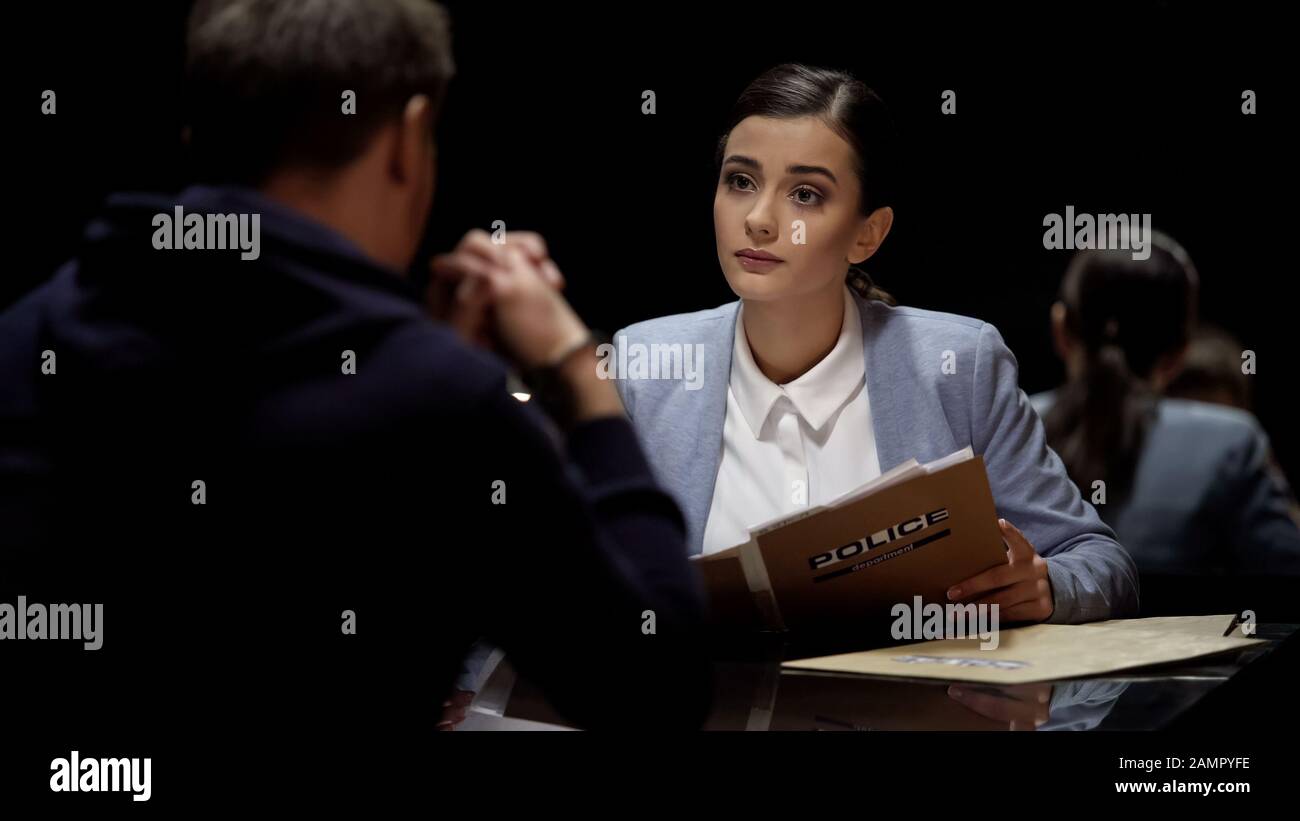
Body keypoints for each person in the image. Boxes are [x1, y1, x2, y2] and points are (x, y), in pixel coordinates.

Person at [0, 0, 712, 743]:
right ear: (408, 140)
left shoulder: (23, 335)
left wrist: (427, 360)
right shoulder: (441, 407)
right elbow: (657, 692)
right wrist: (582, 383)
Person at [612, 64, 1138, 625]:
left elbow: (1104, 564)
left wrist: (1046, 586)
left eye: (805, 194)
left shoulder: (958, 365)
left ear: (869, 233)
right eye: (740, 181)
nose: (761, 220)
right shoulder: (646, 368)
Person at [1031, 233, 1300, 577]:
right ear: (1179, 353)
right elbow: (1288, 583)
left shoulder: (1007, 428)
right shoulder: (1233, 442)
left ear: (1060, 329)